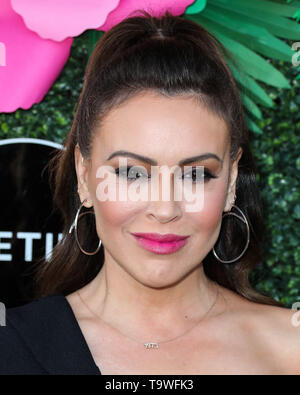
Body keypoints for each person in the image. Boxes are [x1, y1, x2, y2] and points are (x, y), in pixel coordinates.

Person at [1, 9, 299, 375]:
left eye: (195, 174)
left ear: (232, 181)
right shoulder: (11, 349)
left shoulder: (290, 350)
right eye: (131, 172)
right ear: (84, 175)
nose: (164, 208)